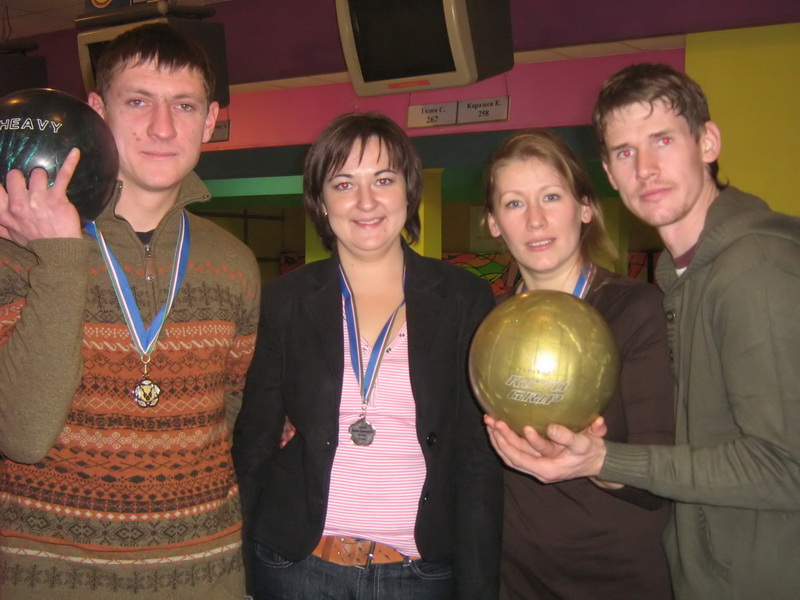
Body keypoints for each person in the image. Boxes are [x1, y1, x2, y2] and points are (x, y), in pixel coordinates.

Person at [485, 63, 800, 599]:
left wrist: (603, 459)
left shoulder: (753, 269)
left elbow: (786, 466)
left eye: (663, 140)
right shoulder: (681, 276)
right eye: (626, 152)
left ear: (708, 142)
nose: (646, 169)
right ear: (610, 173)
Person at [0, 24, 260, 599]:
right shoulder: (16, 248)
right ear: (97, 111)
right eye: (138, 102)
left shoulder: (234, 263)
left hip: (203, 579)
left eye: (184, 105)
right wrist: (60, 256)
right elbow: (22, 434)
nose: (163, 128)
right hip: (53, 584)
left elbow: (228, 414)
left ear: (210, 120)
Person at [233, 111, 503, 600]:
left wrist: (478, 586)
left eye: (383, 179)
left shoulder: (464, 298)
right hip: (296, 566)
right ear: (320, 202)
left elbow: (476, 458)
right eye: (343, 184)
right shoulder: (285, 301)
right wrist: (243, 574)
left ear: (409, 191)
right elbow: (254, 443)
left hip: (420, 574)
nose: (366, 202)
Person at [483, 129, 674, 599]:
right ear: (493, 223)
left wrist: (596, 461)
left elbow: (664, 475)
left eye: (551, 196)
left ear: (585, 208)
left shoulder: (638, 310)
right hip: (514, 577)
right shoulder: (486, 327)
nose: (535, 220)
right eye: (514, 203)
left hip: (618, 578)